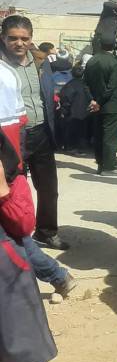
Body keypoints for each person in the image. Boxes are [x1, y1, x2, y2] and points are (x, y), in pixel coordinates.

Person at [0, 131, 74, 362]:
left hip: (6, 265)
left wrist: (2, 191)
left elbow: (23, 221)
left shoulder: (4, 153)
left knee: (29, 352)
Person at [1, 16, 68, 251]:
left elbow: (46, 93)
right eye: (13, 38)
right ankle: (13, 237)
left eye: (24, 38)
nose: (19, 43)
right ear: (3, 38)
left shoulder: (40, 62)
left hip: (41, 132)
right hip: (10, 137)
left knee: (49, 188)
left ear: (31, 39)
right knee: (12, 191)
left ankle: (46, 232)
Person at [83, 33, 117, 176]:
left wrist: (92, 100)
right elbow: (112, 86)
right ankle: (109, 167)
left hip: (95, 105)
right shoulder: (114, 62)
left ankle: (101, 164)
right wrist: (100, 102)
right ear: (114, 46)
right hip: (111, 105)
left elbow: (85, 84)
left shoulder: (91, 61)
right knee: (110, 137)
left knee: (99, 135)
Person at [57, 55, 93, 155]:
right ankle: (82, 148)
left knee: (71, 131)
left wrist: (64, 111)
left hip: (72, 113)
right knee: (83, 132)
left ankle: (71, 147)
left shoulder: (69, 86)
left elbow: (66, 99)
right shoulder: (86, 86)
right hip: (85, 113)